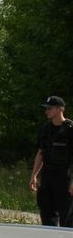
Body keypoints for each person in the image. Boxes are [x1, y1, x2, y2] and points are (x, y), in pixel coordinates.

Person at [29, 96, 73, 227]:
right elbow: (41, 153)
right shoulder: (46, 129)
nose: (46, 111)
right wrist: (34, 176)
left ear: (60, 109)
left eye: (49, 108)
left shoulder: (70, 130)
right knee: (47, 213)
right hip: (48, 176)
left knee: (67, 217)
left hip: (65, 176)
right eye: (46, 108)